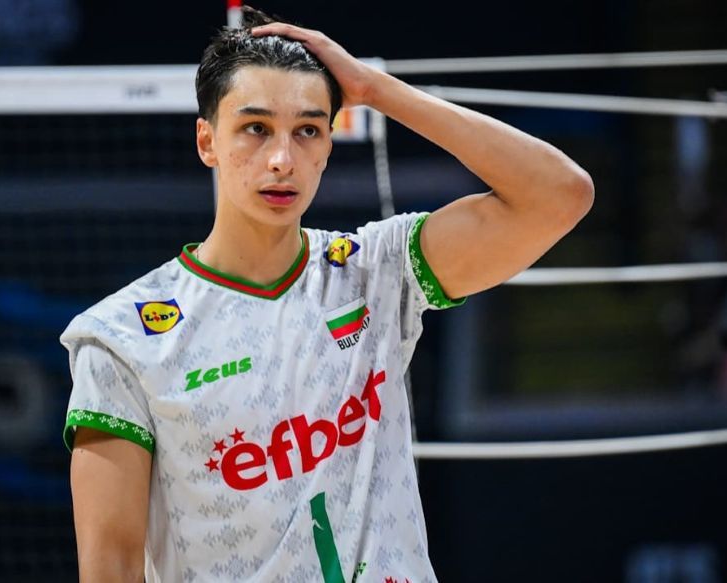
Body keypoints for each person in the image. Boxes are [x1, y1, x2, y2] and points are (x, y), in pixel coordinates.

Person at [61, 6, 593, 582]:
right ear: (207, 141)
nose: (282, 160)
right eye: (256, 128)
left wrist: (374, 89)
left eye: (308, 131)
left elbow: (561, 194)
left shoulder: (377, 269)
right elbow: (110, 566)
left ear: (328, 146)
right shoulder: (120, 338)